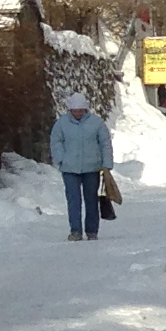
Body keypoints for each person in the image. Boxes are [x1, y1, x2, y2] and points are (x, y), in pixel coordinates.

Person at [50, 90, 116, 242]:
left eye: (80, 110)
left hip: (92, 168)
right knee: (73, 200)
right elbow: (56, 142)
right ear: (69, 110)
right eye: (74, 111)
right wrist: (60, 159)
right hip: (69, 168)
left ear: (85, 109)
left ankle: (92, 230)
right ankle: (75, 231)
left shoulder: (96, 123)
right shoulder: (61, 124)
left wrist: (106, 164)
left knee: (91, 199)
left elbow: (105, 143)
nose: (78, 113)